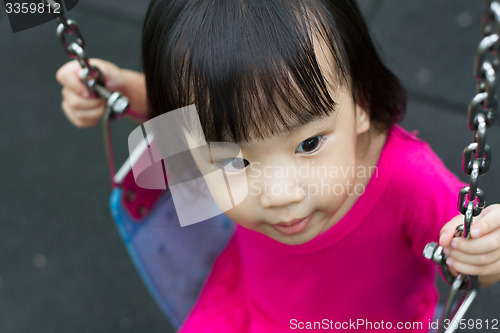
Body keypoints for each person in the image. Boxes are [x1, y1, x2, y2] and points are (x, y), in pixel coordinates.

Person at [56, 0, 500, 331]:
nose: (279, 194)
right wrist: (121, 89)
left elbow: (470, 259)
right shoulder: (201, 126)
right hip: (252, 313)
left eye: (308, 143)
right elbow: (186, 117)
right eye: (233, 159)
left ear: (361, 100)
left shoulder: (408, 179)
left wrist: (486, 252)